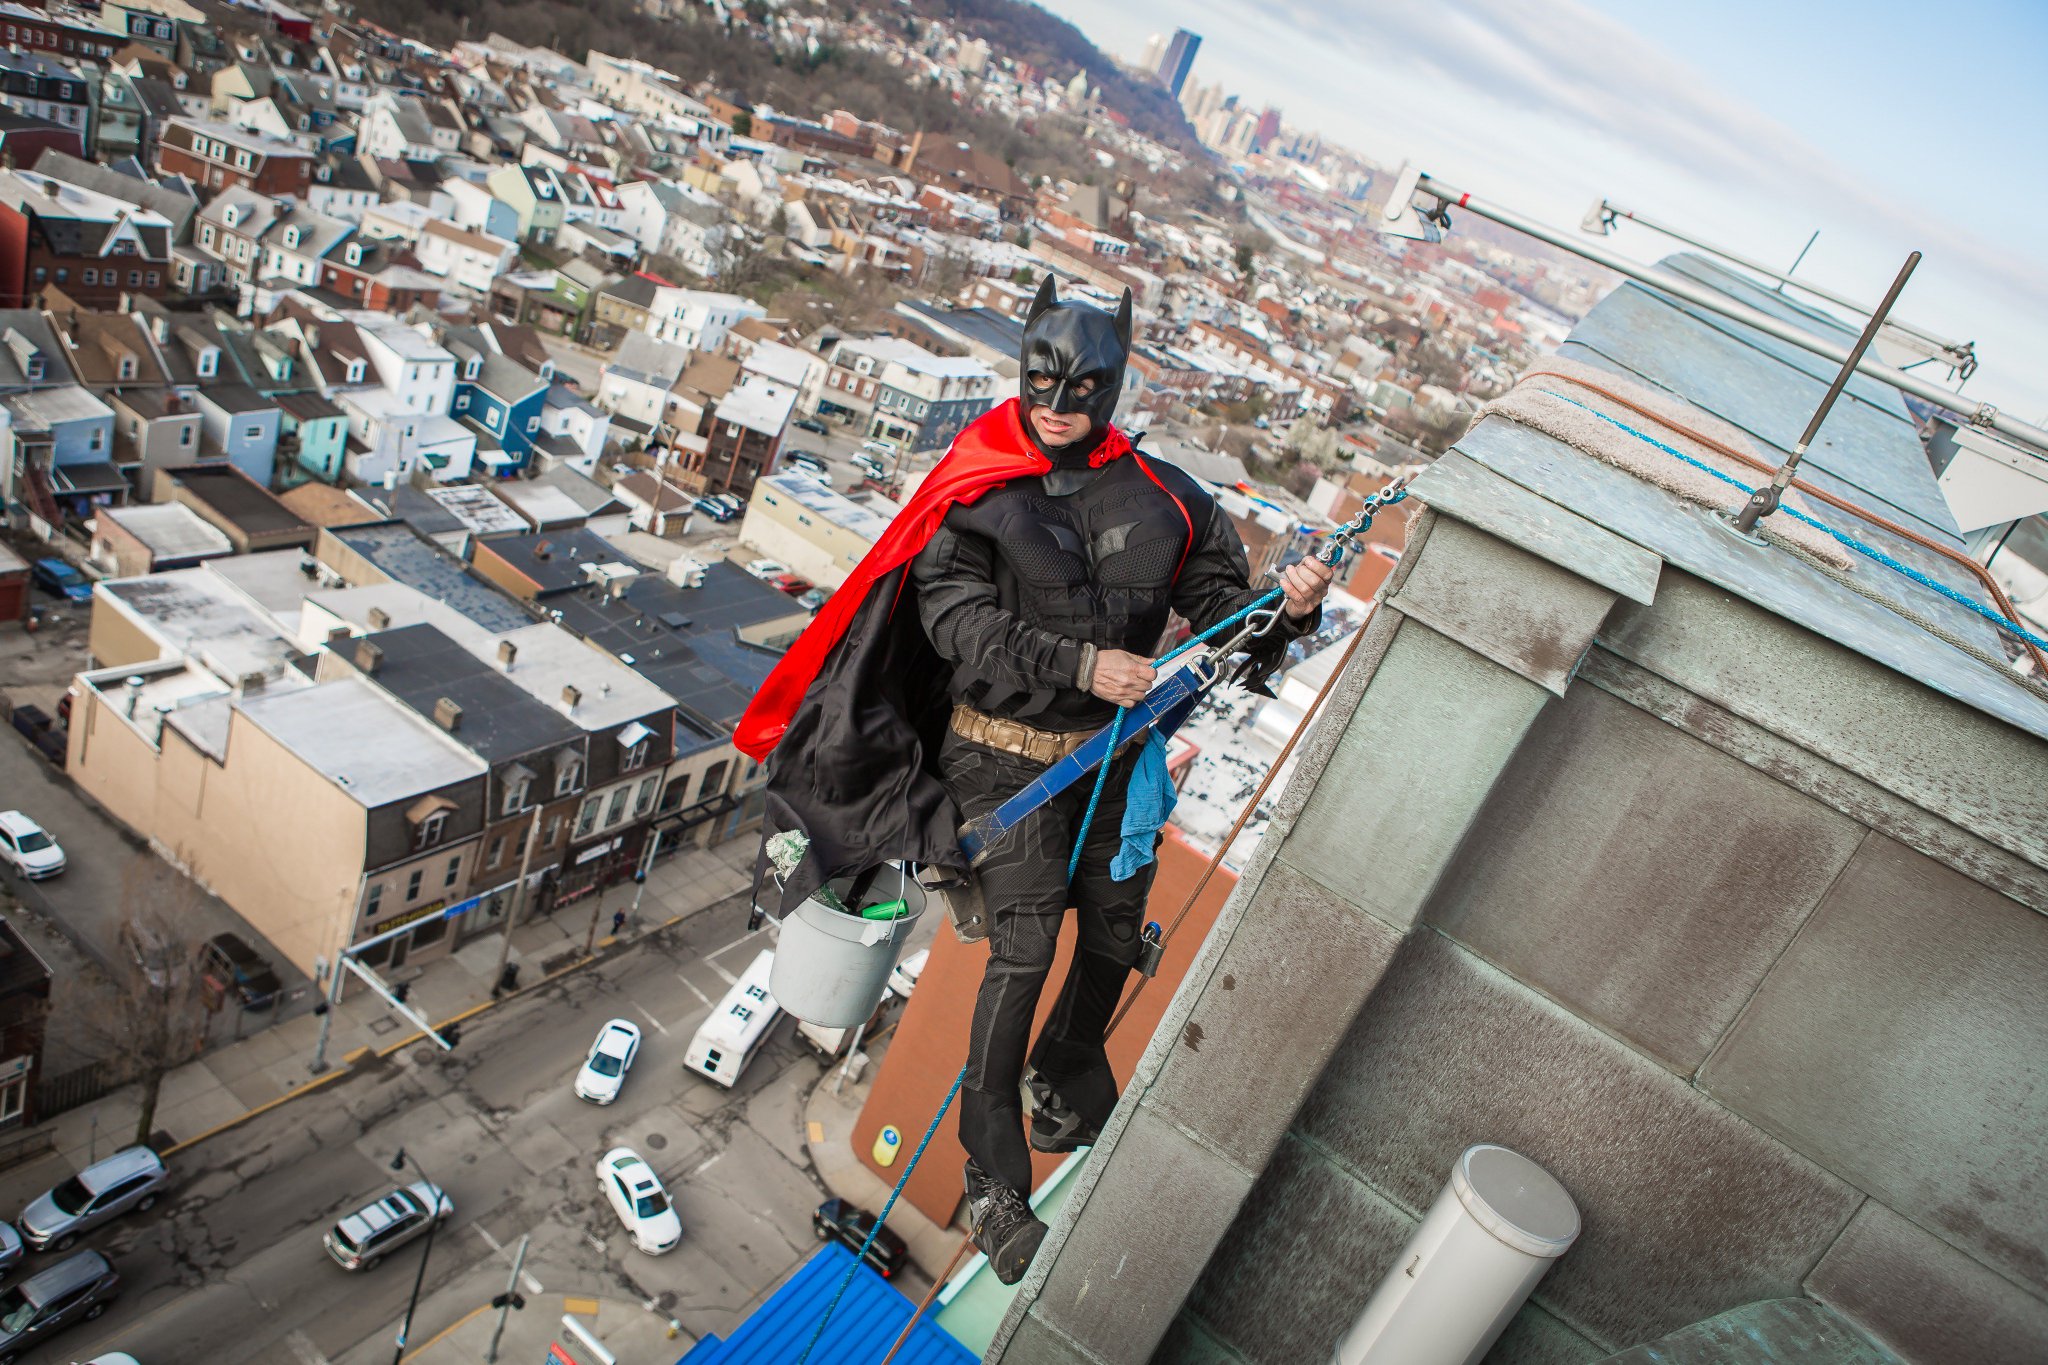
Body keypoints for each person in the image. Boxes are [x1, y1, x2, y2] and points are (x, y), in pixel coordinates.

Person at [734, 277, 1332, 1285]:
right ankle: (994, 1178)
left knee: (1109, 928)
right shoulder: (977, 488)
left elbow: (1231, 622)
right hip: (990, 752)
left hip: (1109, 762)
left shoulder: (1174, 502)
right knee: (1021, 946)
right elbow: (953, 619)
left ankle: (1068, 1067)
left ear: (1111, 386)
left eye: (1079, 385)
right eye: (1040, 379)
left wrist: (1292, 606)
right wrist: (1078, 666)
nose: (1054, 402)